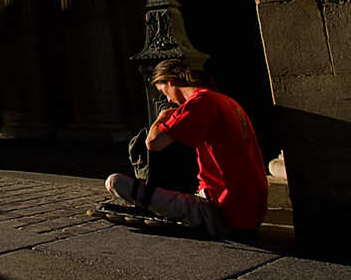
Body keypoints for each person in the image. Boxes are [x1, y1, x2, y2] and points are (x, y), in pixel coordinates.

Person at [104, 59, 268, 236]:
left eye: (163, 91)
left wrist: (162, 117)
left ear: (172, 82)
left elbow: (153, 143)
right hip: (250, 213)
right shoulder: (225, 101)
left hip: (224, 212)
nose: (168, 99)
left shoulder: (200, 101)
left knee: (114, 181)